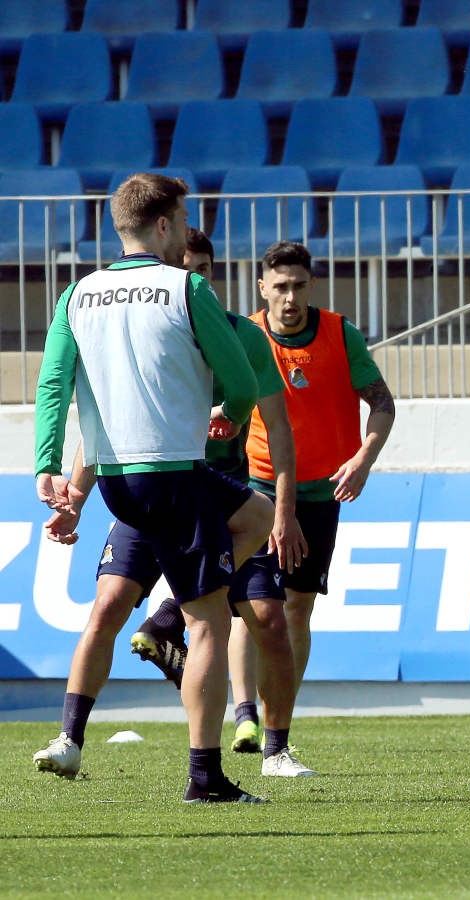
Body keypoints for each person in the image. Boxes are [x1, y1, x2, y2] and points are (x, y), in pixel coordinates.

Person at [32, 173, 267, 801]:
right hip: (175, 476)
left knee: (255, 516)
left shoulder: (76, 295)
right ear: (163, 225)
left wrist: (47, 466)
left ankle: (73, 734)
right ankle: (205, 774)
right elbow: (240, 379)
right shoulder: (186, 287)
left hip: (115, 484)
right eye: (184, 218)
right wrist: (228, 410)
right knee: (209, 623)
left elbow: (53, 385)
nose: (187, 229)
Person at [121, 225, 316, 776]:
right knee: (117, 607)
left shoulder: (238, 336)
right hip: (174, 494)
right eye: (186, 271)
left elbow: (277, 426)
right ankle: (72, 737)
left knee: (271, 623)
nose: (196, 280)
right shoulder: (151, 342)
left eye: (204, 271)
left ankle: (273, 750)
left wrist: (283, 509)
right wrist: (71, 484)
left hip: (235, 506)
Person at [237, 240, 396, 761]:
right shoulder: (245, 334)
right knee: (257, 610)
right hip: (258, 488)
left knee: (298, 609)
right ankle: (246, 717)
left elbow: (382, 405)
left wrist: (363, 458)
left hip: (320, 493)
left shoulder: (339, 333)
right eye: (279, 286)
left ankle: (279, 717)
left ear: (311, 286)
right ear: (262, 288)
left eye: (298, 286)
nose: (289, 296)